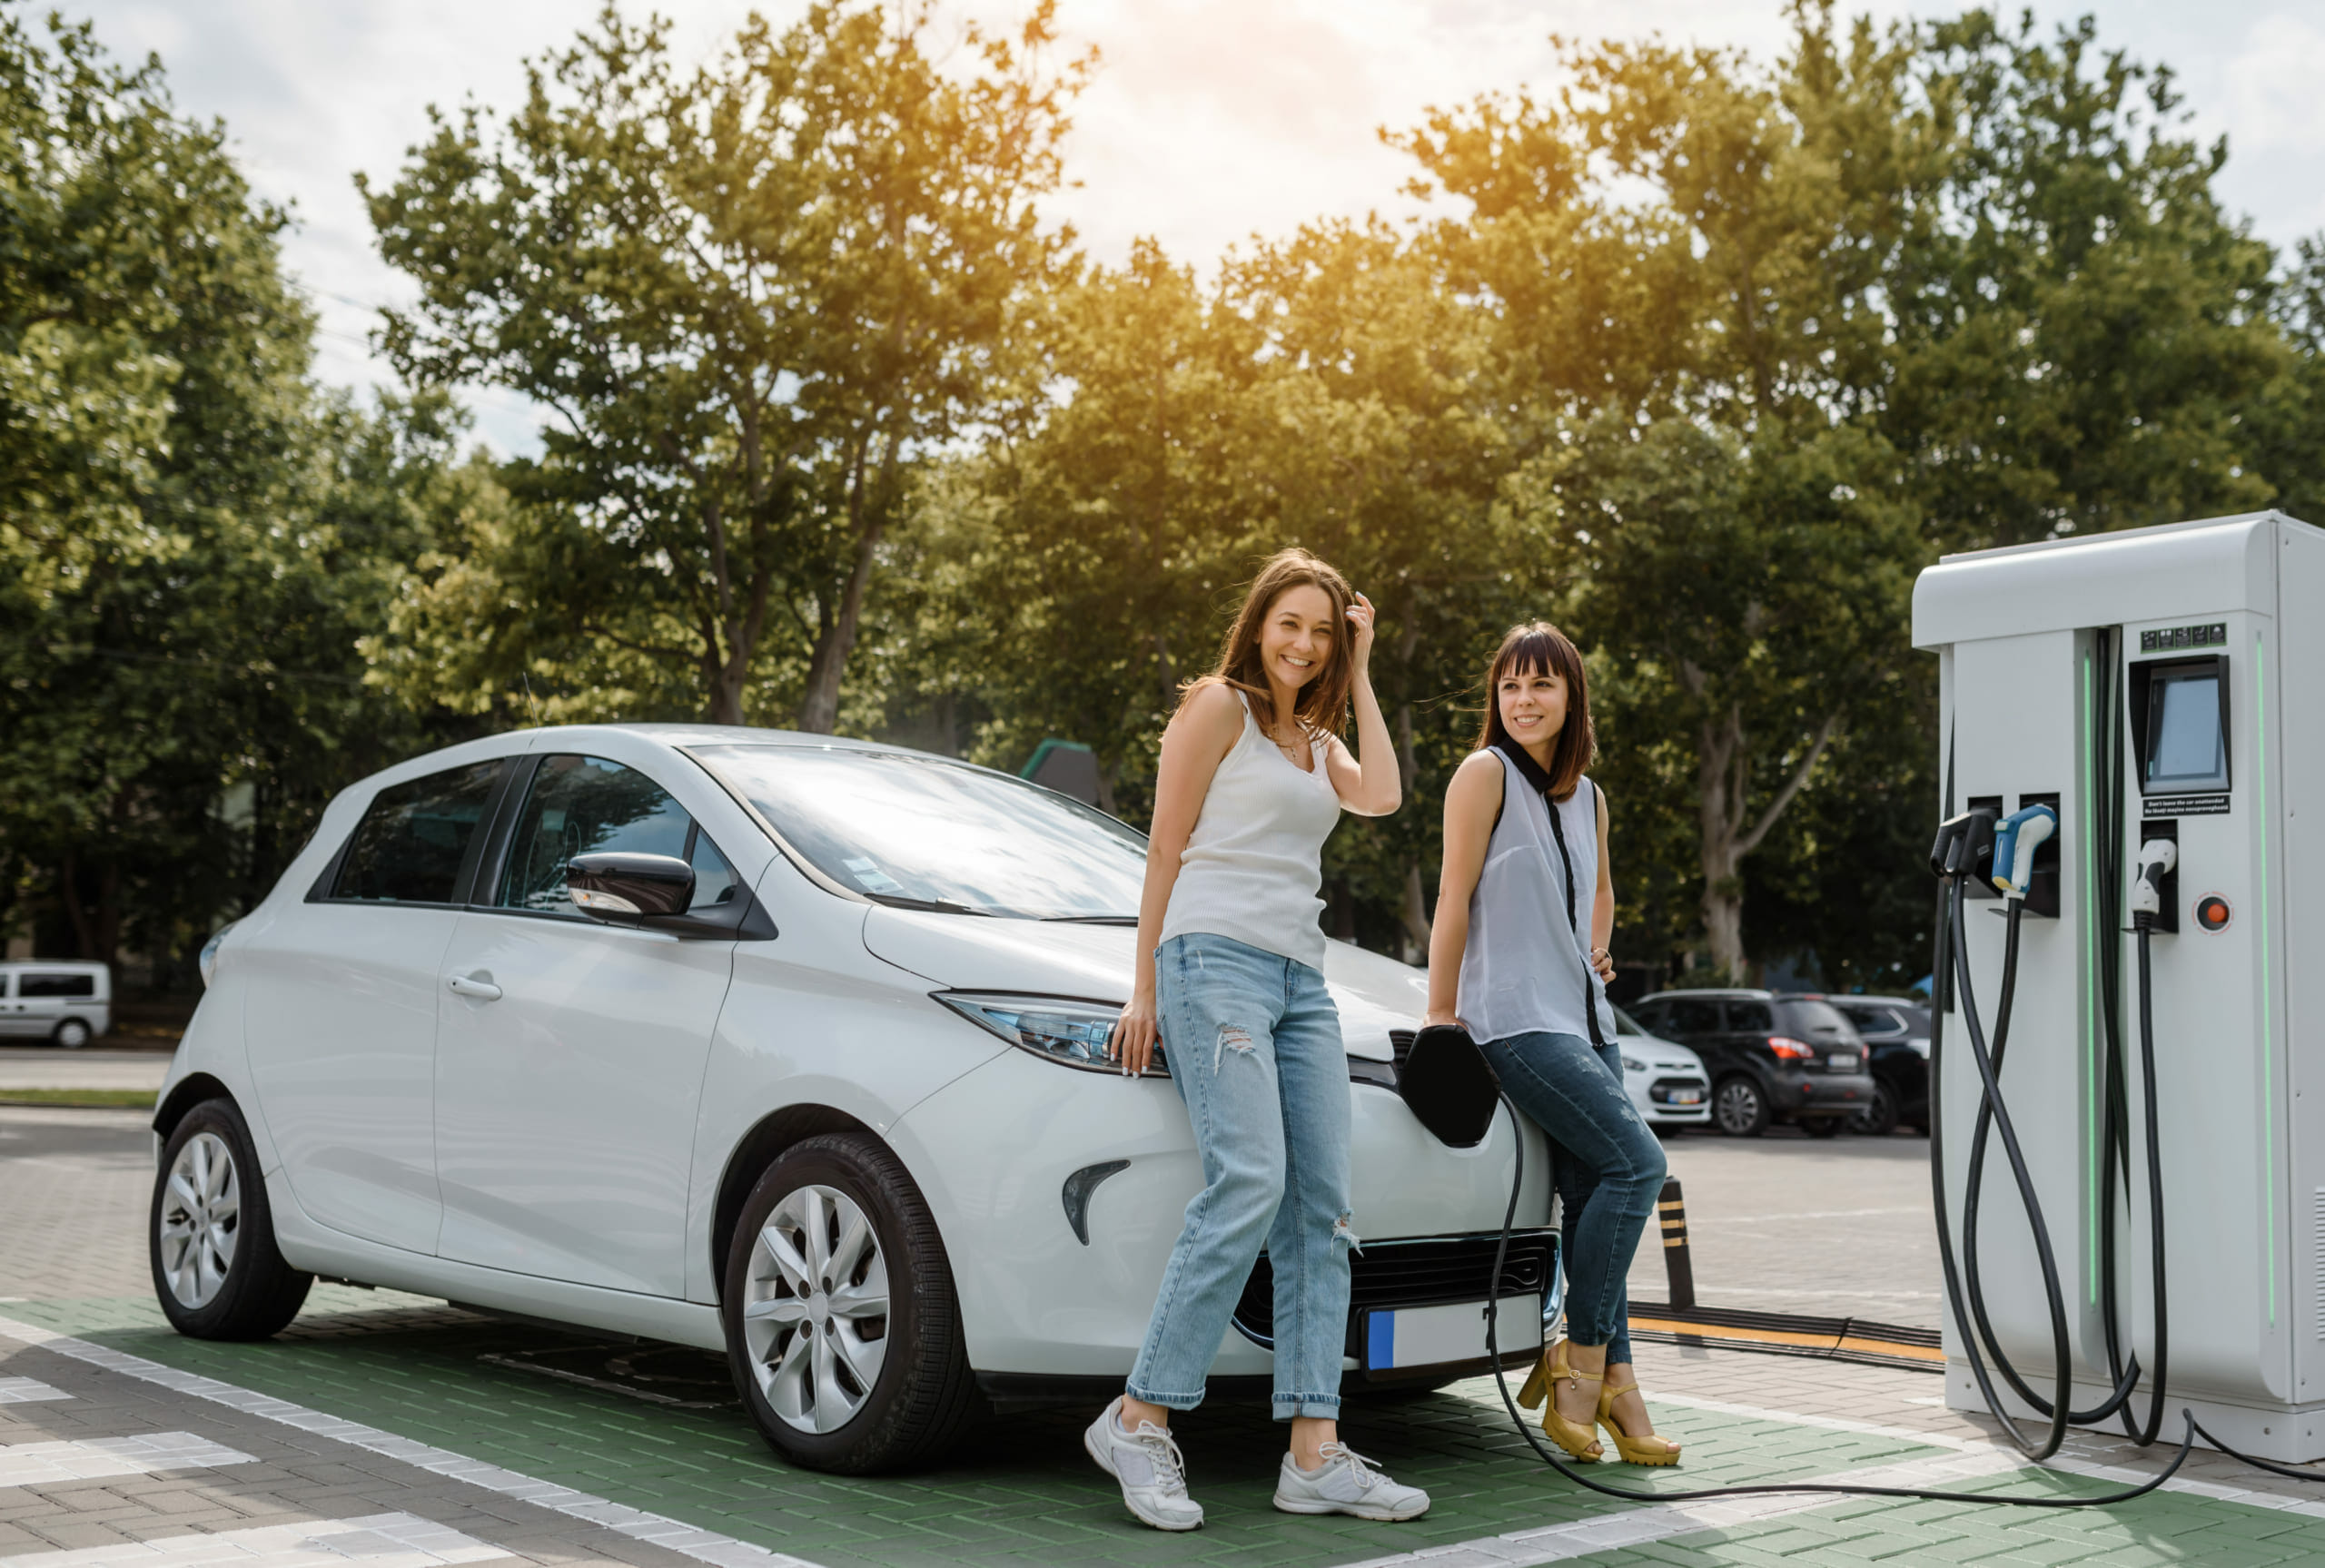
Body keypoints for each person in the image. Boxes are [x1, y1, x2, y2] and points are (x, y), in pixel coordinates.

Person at [1085, 547, 1428, 1531]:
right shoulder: (1217, 708)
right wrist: (1142, 982)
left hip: (1298, 978)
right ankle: (1138, 1415)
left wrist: (1362, 668)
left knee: (1323, 1207)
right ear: (1259, 621)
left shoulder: (1318, 740)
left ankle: (1313, 1452)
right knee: (1249, 1179)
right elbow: (1162, 840)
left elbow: (1385, 795)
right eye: (1292, 623)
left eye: (1322, 630)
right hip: (1212, 960)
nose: (1304, 643)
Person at [1421, 622, 1679, 1466]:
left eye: (1541, 686)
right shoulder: (1482, 774)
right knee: (1638, 1166)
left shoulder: (1591, 796)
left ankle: (1615, 1388)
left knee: (1599, 1209)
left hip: (1587, 1021)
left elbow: (1600, 889)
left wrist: (1595, 950)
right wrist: (1440, 1014)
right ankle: (1583, 1363)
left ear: (1572, 698)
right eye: (1510, 687)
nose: (1523, 701)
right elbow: (1453, 895)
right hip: (1514, 1019)